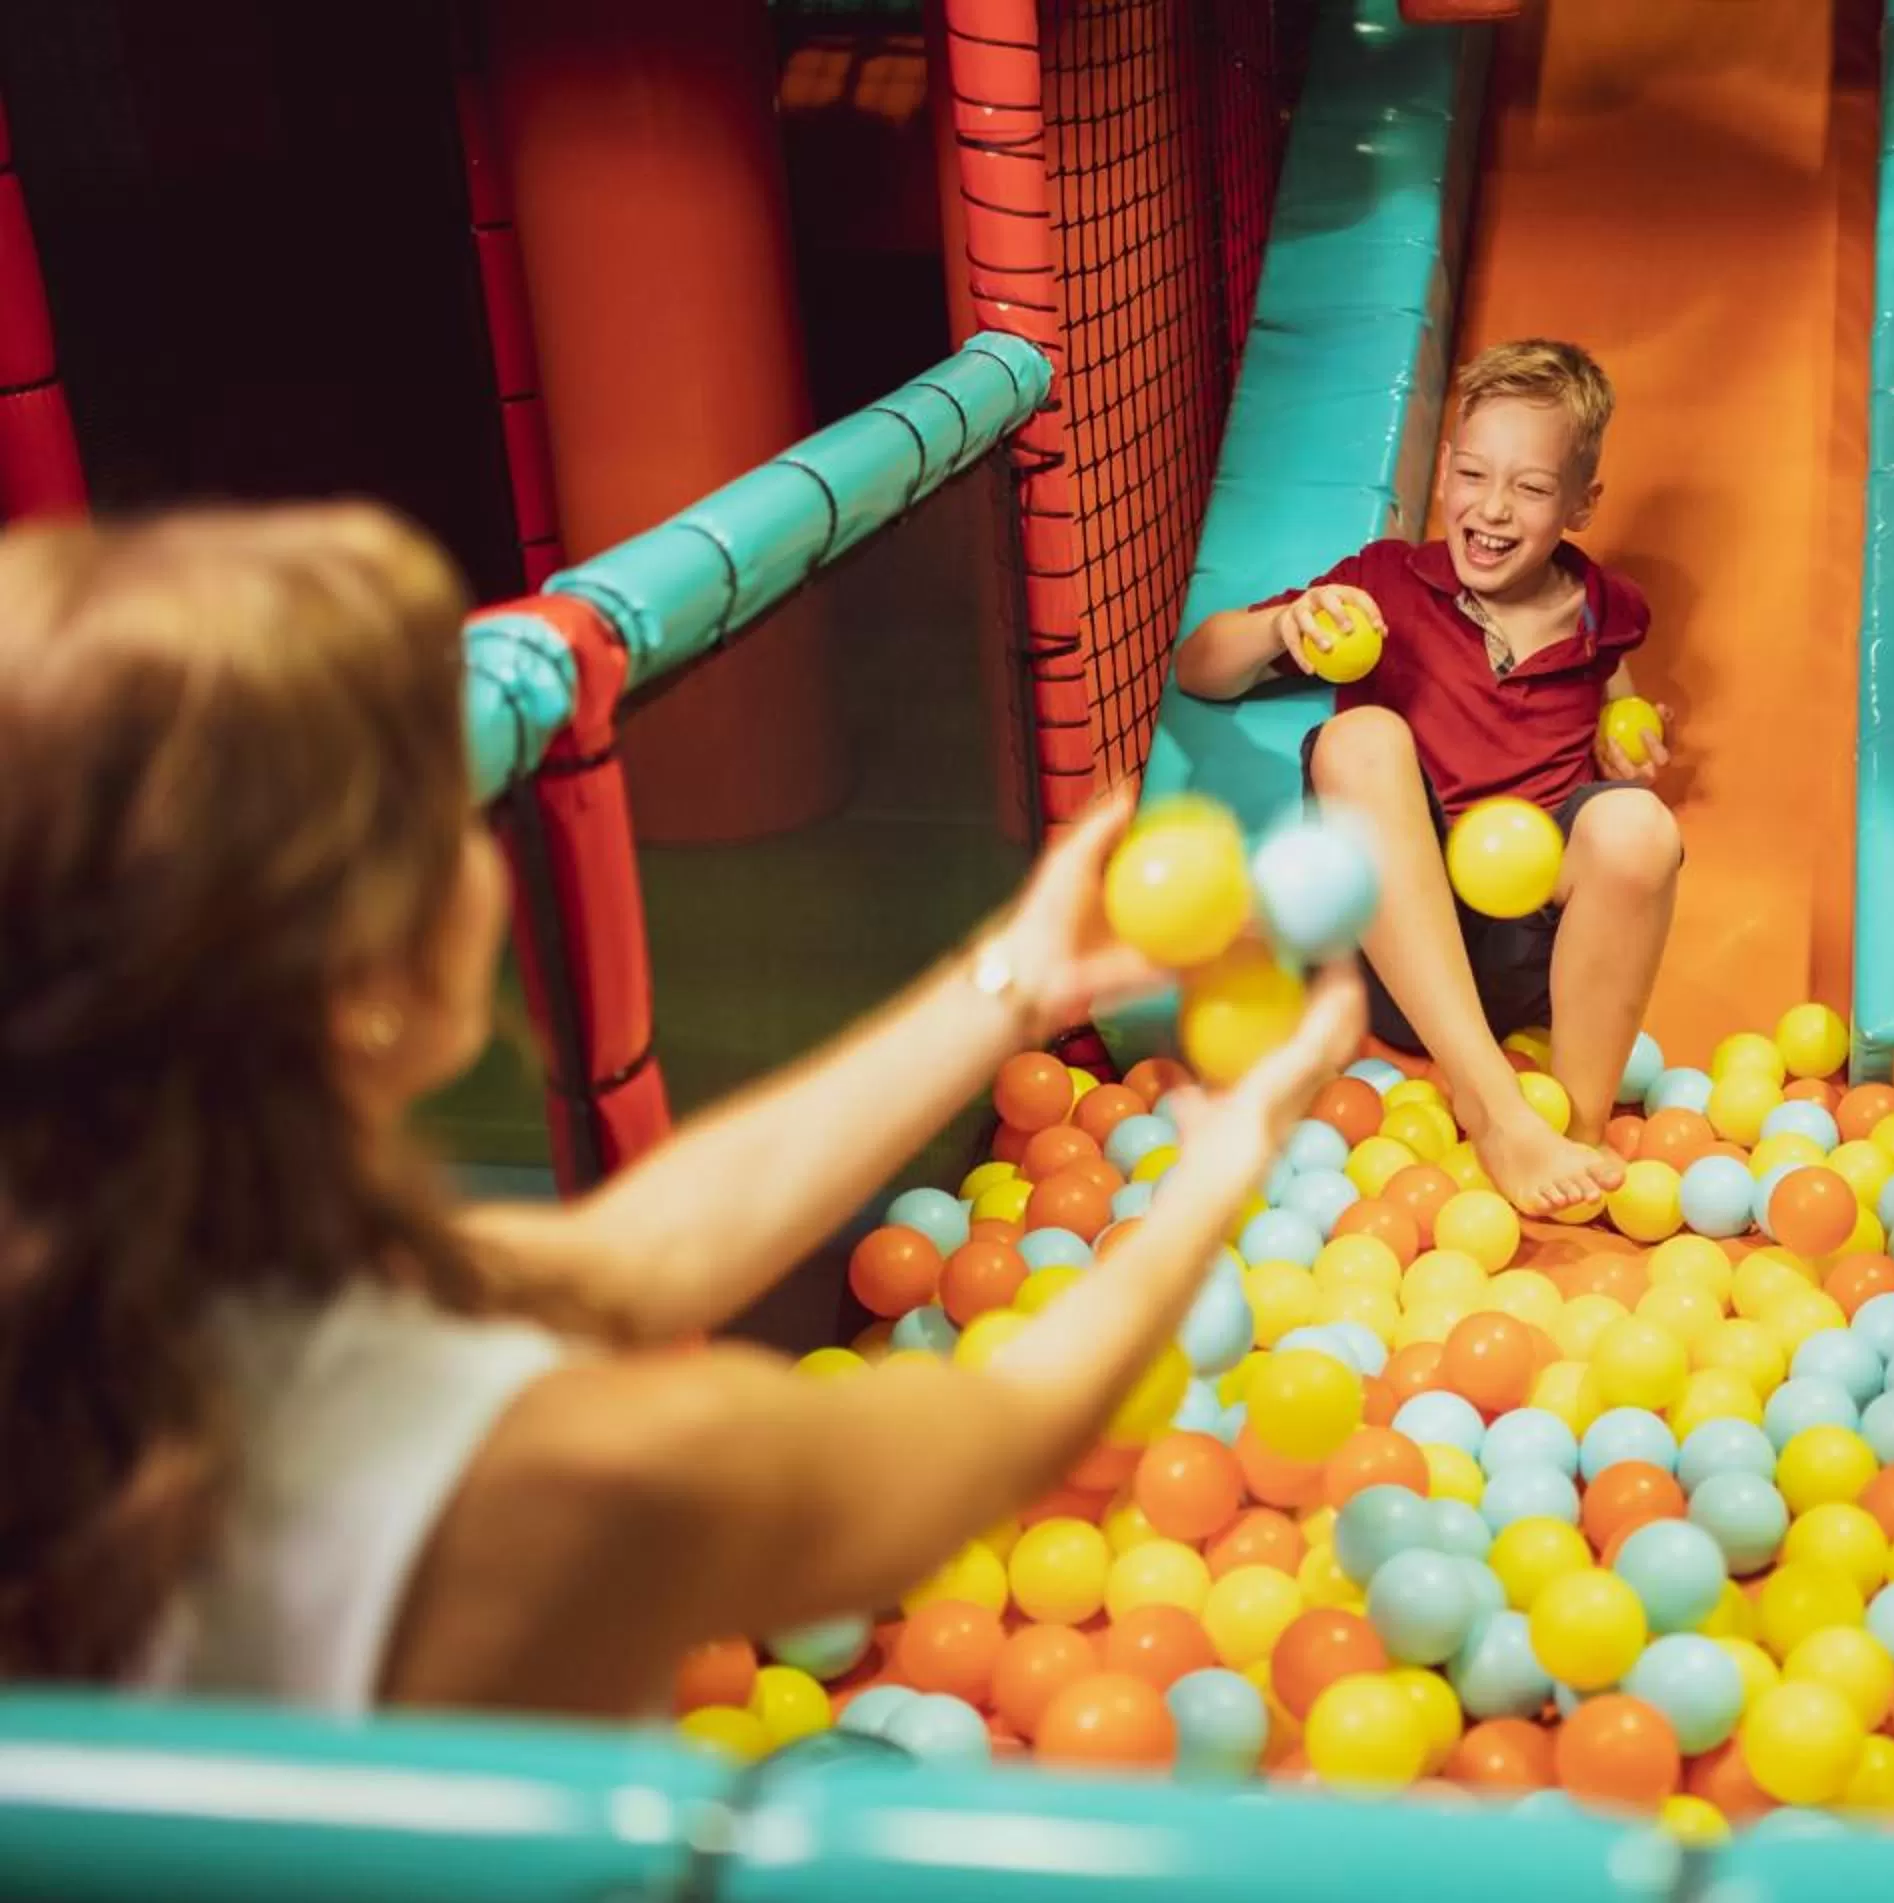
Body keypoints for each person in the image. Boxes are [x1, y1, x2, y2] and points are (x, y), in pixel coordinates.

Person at [0, 504, 1364, 1716]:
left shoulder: (125, 1297)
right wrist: (1229, 1148)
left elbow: (632, 1259)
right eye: (446, 813)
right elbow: (1000, 1434)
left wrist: (1012, 984)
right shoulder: (577, 1472)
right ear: (358, 976)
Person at [1174, 339, 1682, 1218]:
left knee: (1638, 824)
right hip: (1393, 953)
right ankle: (1495, 1105)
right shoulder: (1384, 586)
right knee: (1361, 737)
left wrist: (1624, 737)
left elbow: (1613, 699)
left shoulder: (1608, 612)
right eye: (1474, 475)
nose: (1491, 508)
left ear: (1581, 504)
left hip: (1527, 957)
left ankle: (1575, 1125)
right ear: (1445, 468)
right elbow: (1200, 666)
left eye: (1529, 487)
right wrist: (1283, 627)